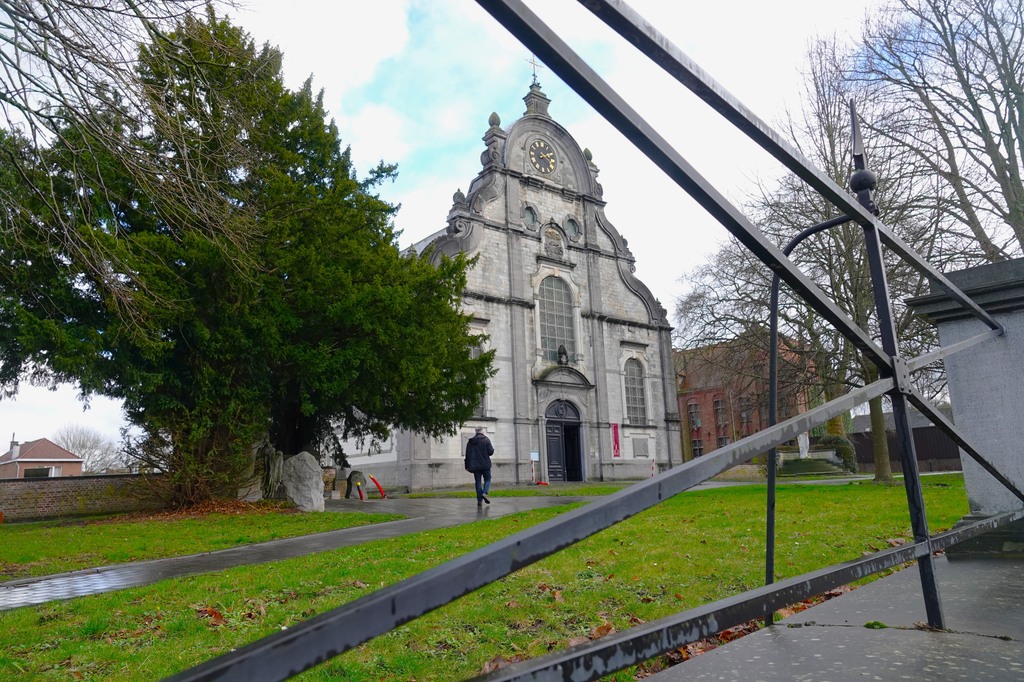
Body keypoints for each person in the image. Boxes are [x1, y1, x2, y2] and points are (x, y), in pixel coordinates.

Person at [464, 426, 494, 506]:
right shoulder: (486, 440)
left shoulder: (470, 442)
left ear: (476, 432)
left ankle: (479, 500)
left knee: (478, 482)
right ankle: (485, 493)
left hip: (475, 466)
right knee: (488, 479)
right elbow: (491, 451)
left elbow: (467, 455)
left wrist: (467, 465)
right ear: (482, 431)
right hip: (485, 464)